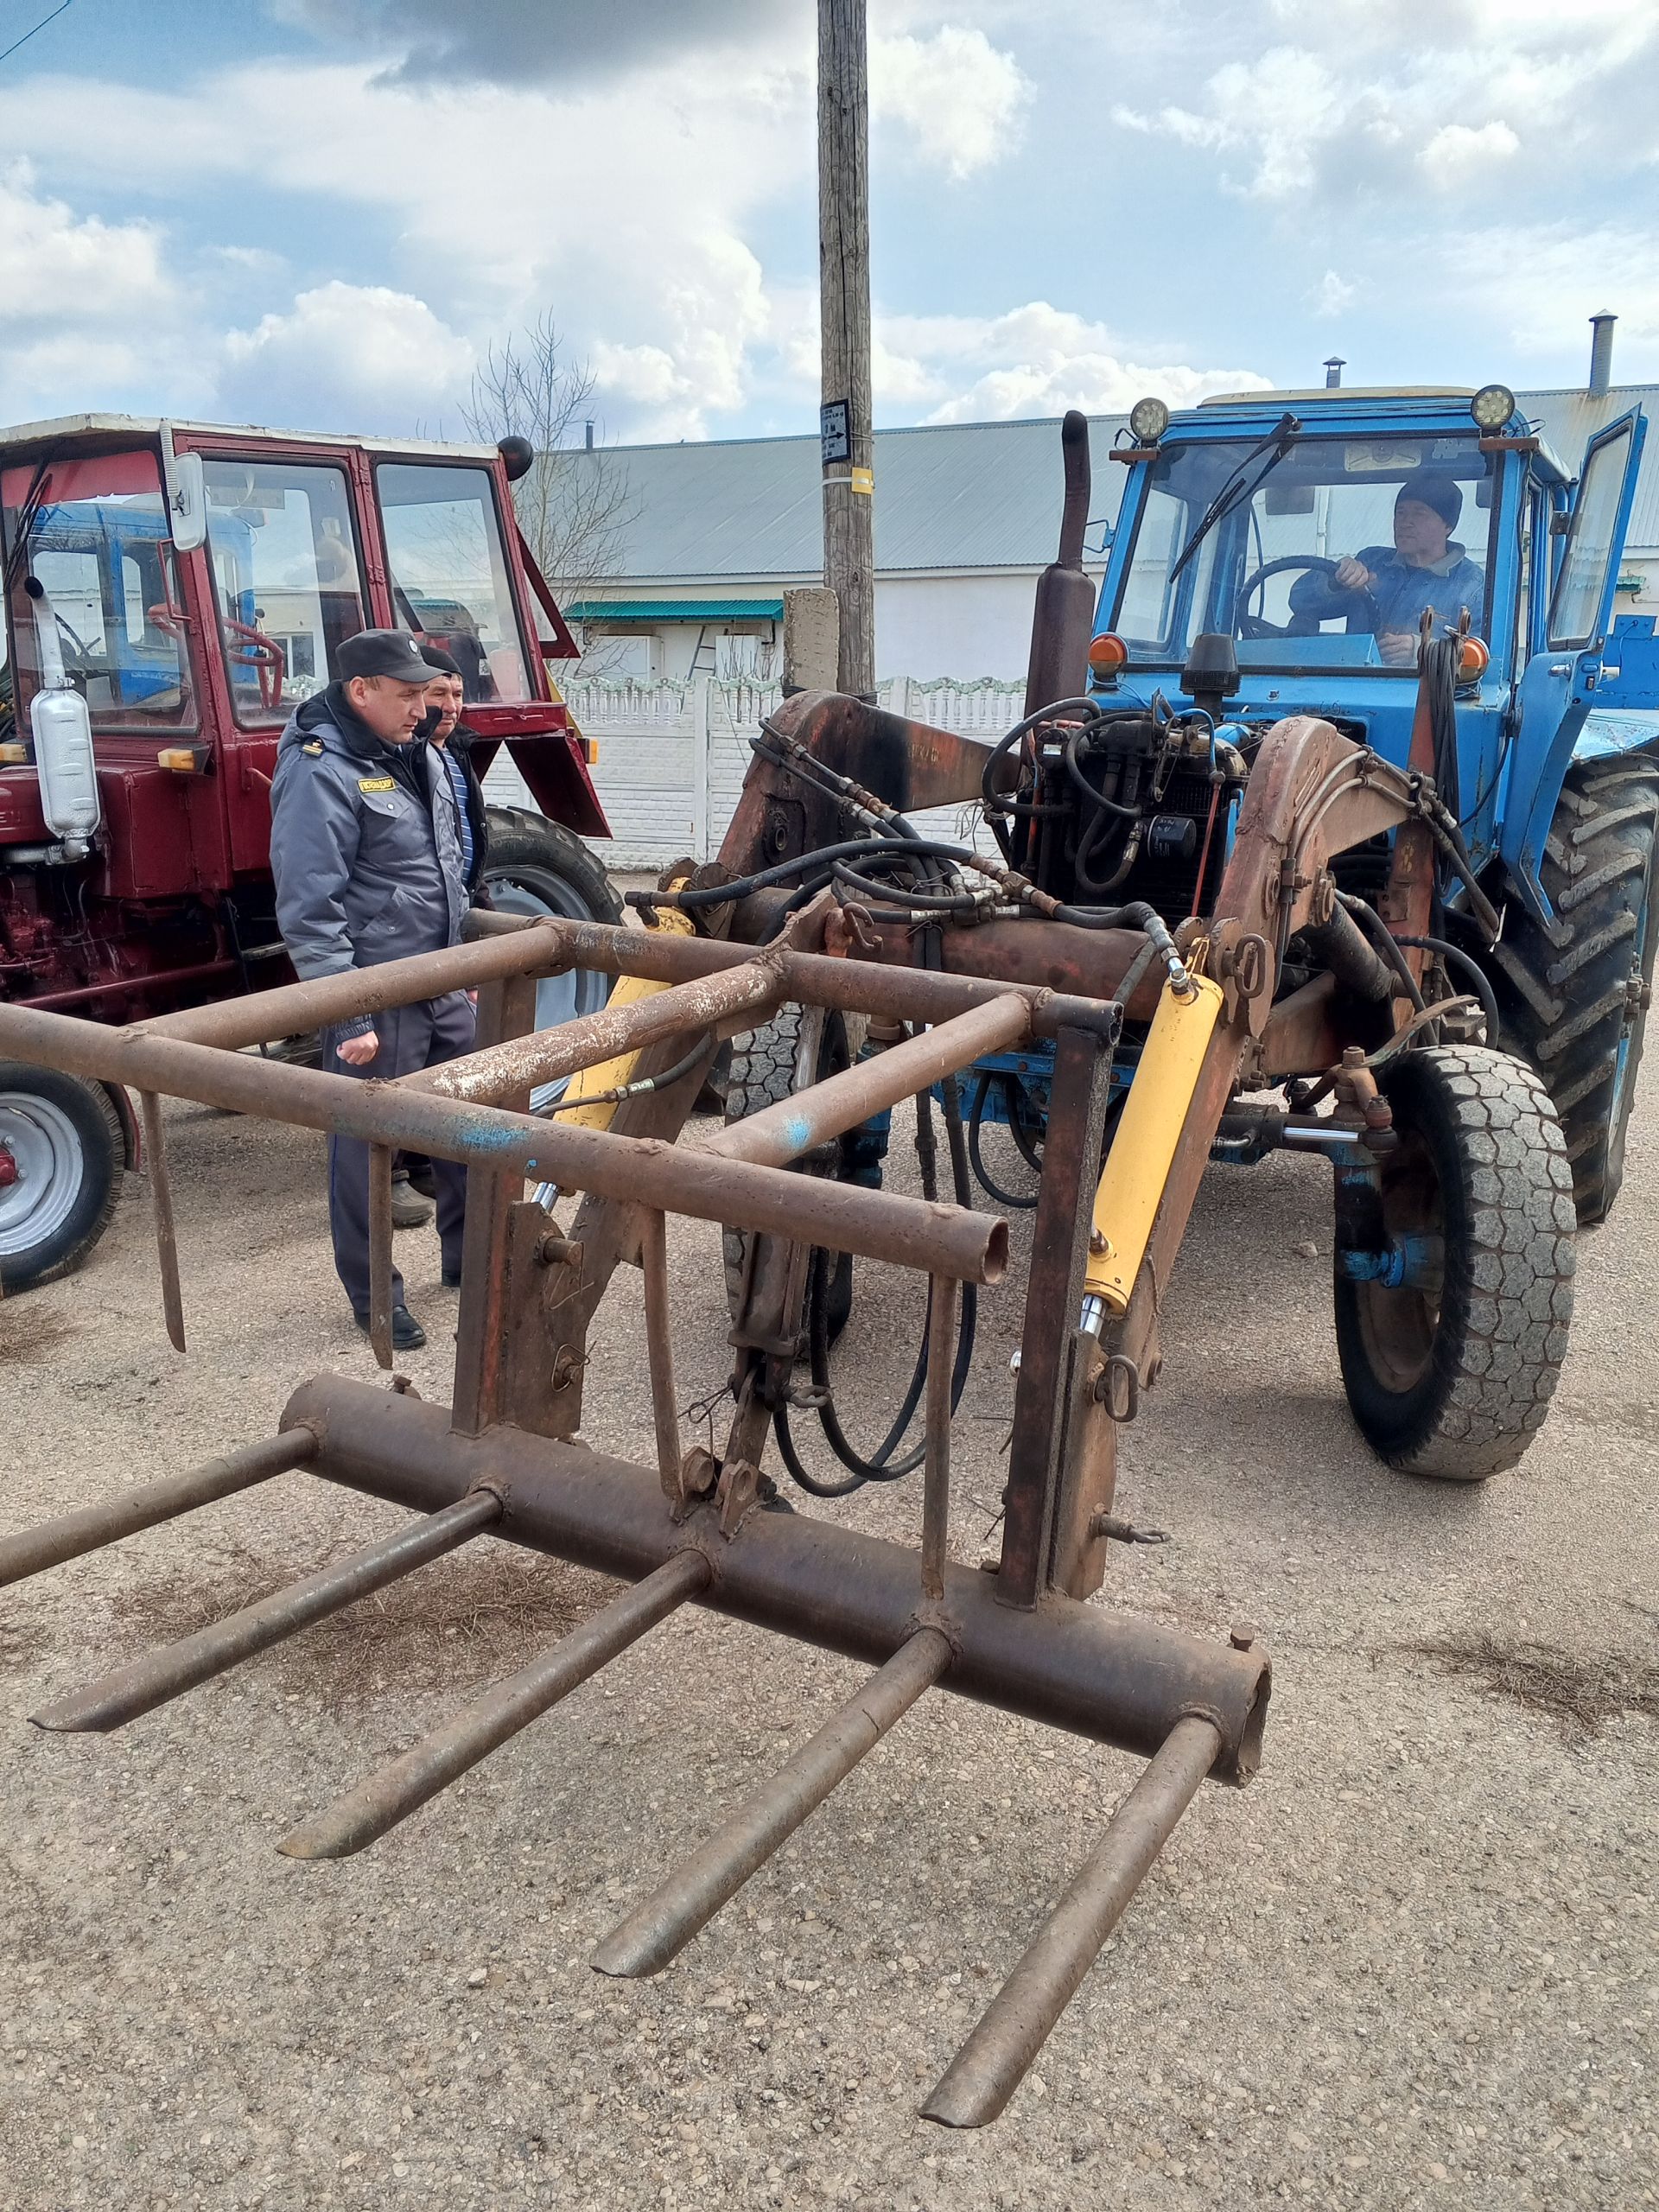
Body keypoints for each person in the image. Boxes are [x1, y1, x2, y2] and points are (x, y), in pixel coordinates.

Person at [269, 627, 474, 1351]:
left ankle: (469, 1262)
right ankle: (375, 1295)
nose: (424, 708)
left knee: (464, 1124)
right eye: (409, 695)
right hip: (375, 992)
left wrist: (459, 966)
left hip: (440, 979)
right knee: (368, 1147)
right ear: (362, 691)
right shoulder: (322, 770)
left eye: (428, 694)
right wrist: (345, 1011)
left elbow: (442, 869)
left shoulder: (416, 754)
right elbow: (309, 908)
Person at [388, 643, 494, 1229]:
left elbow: (466, 841)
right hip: (411, 929)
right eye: (437, 695)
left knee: (455, 1045)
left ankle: (432, 1160)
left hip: (457, 911)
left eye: (457, 693)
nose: (450, 705)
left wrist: (479, 910)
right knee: (398, 1054)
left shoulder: (453, 754)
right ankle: (395, 1168)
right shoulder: (396, 761)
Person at [1288, 471, 1485, 666]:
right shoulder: (1371, 562)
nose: (1405, 523)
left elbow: (1481, 659)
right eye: (1400, 513)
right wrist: (1336, 580)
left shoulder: (1473, 586)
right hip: (1351, 686)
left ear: (1448, 525)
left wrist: (1424, 651)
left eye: (1419, 513)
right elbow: (1299, 601)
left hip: (1424, 695)